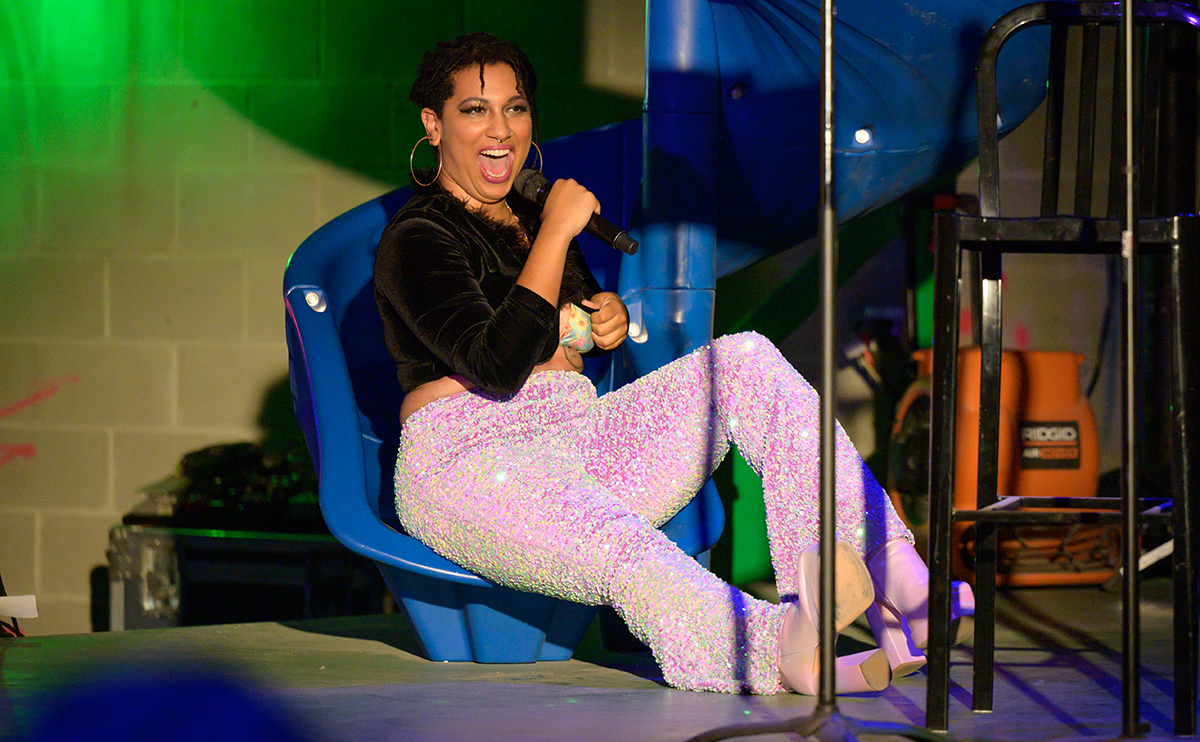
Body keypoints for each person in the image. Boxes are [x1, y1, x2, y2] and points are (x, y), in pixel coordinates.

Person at [373, 32, 973, 695]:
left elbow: (551, 330)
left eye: (515, 109)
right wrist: (556, 232)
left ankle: (888, 566)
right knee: (623, 545)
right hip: (469, 460)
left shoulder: (528, 217)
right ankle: (775, 648)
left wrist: (601, 321)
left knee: (742, 361)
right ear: (433, 124)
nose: (501, 130)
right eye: (475, 110)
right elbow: (497, 364)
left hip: (575, 436)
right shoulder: (415, 238)